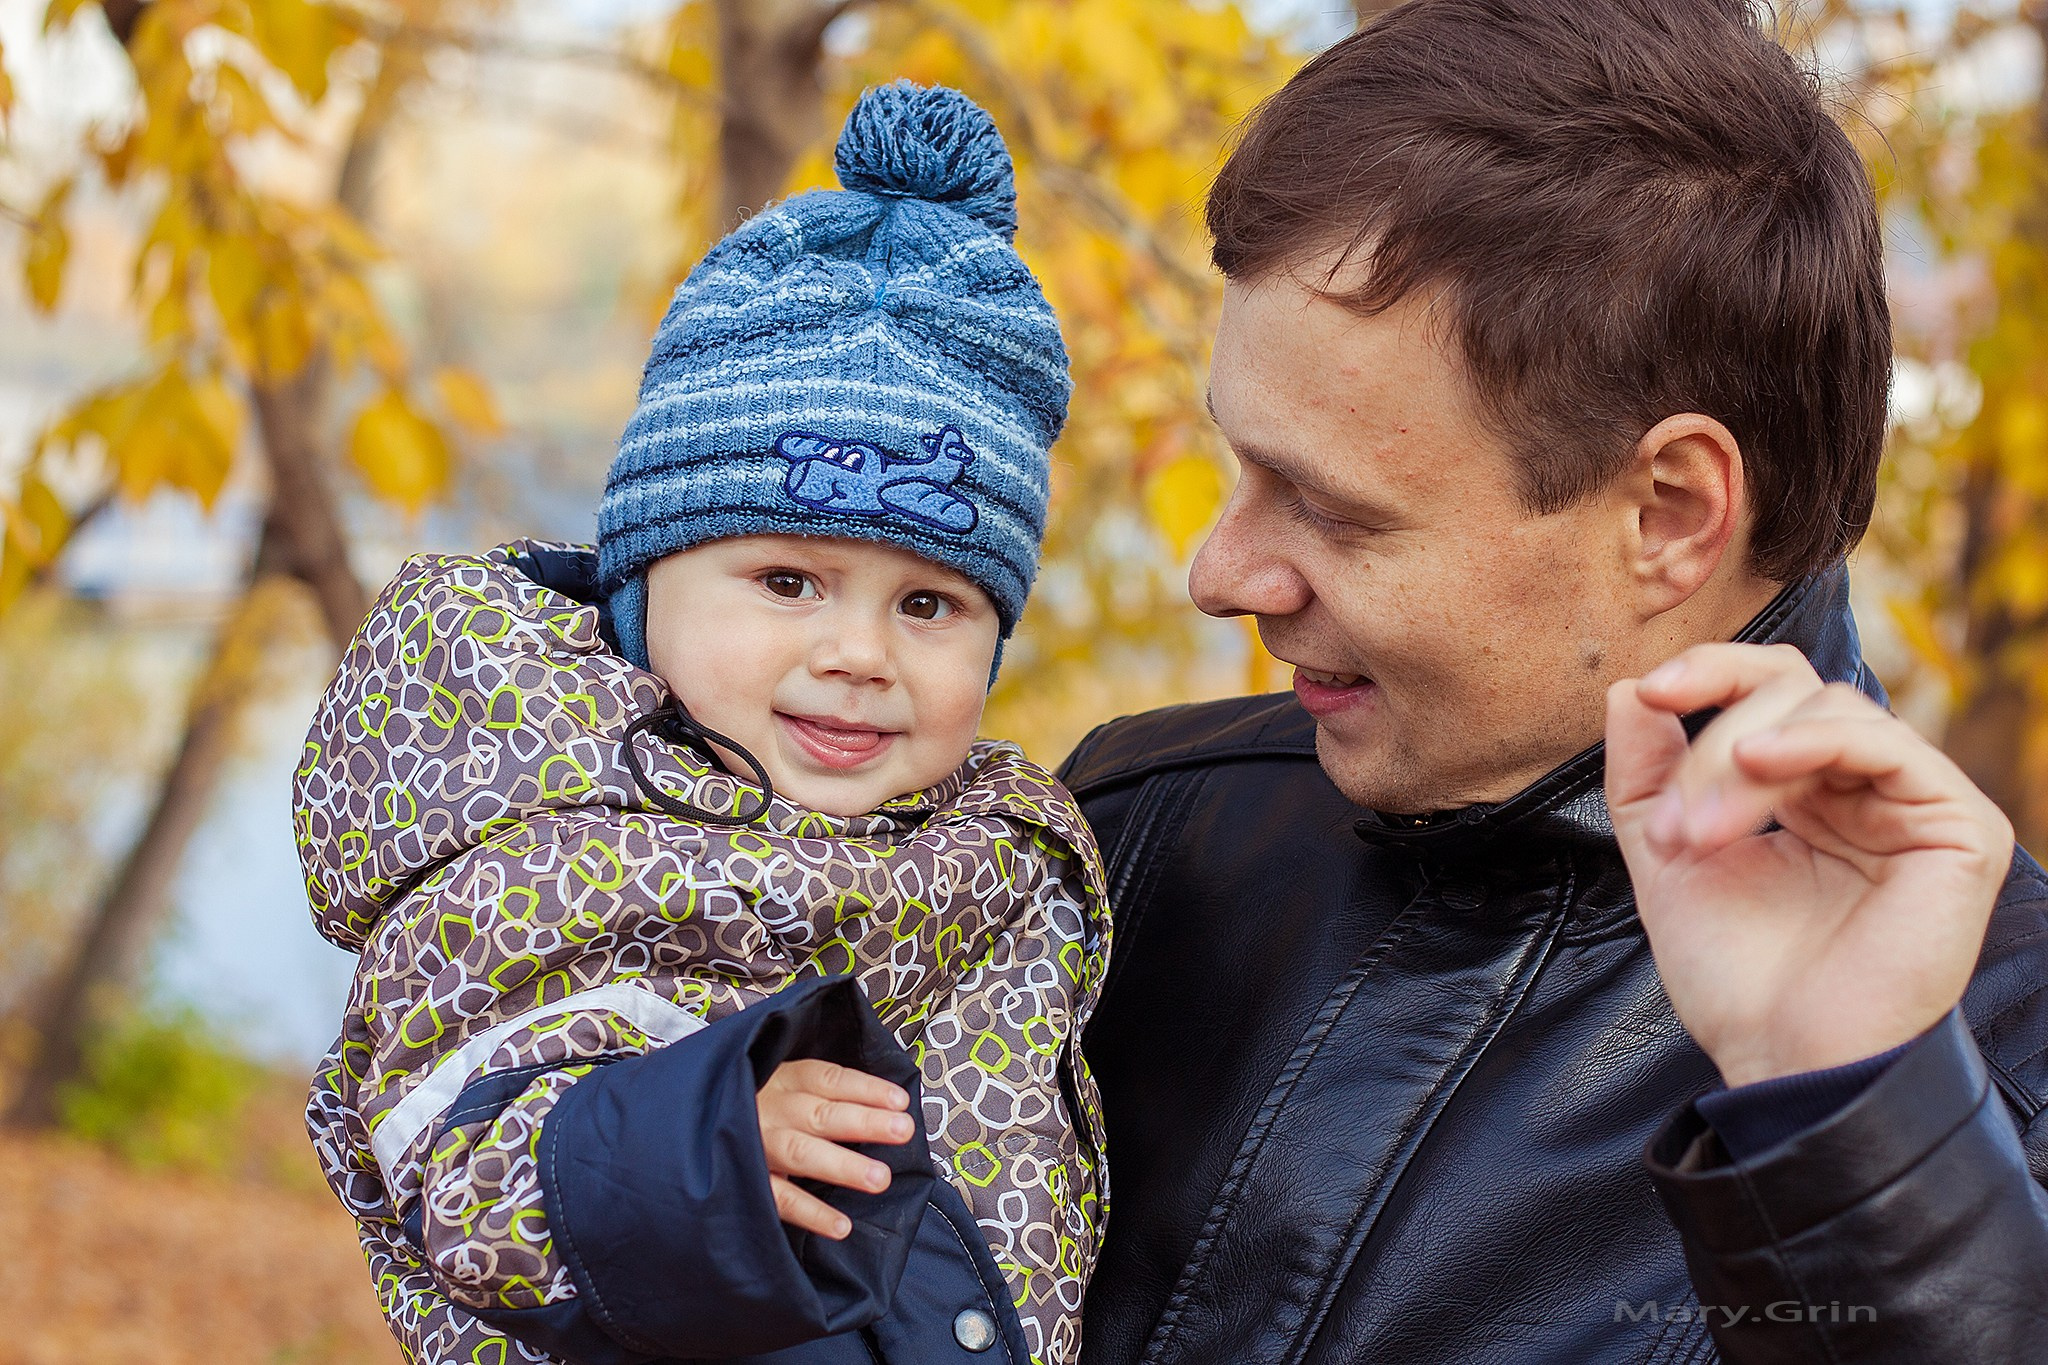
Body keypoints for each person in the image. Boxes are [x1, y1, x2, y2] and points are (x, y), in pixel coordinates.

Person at [1054, 2, 2048, 1361]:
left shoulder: (2002, 1060)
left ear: (1669, 514)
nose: (1218, 574)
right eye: (1240, 464)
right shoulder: (1124, 837)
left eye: (1328, 505)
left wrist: (1850, 1133)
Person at [298, 84, 1109, 1365]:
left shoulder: (1000, 857)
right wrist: (714, 1147)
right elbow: (450, 1156)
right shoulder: (548, 842)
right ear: (641, 594)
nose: (858, 655)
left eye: (929, 605)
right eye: (786, 582)